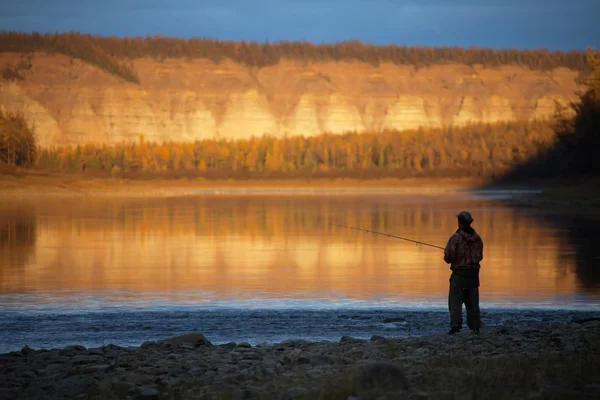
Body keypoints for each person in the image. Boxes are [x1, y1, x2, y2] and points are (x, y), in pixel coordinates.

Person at [443, 211, 483, 335]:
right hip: (473, 275)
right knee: (472, 303)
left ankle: (456, 327)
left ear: (459, 222)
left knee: (455, 302)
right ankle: (475, 327)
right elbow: (480, 256)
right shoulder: (477, 238)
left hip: (459, 275)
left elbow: (448, 258)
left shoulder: (455, 238)